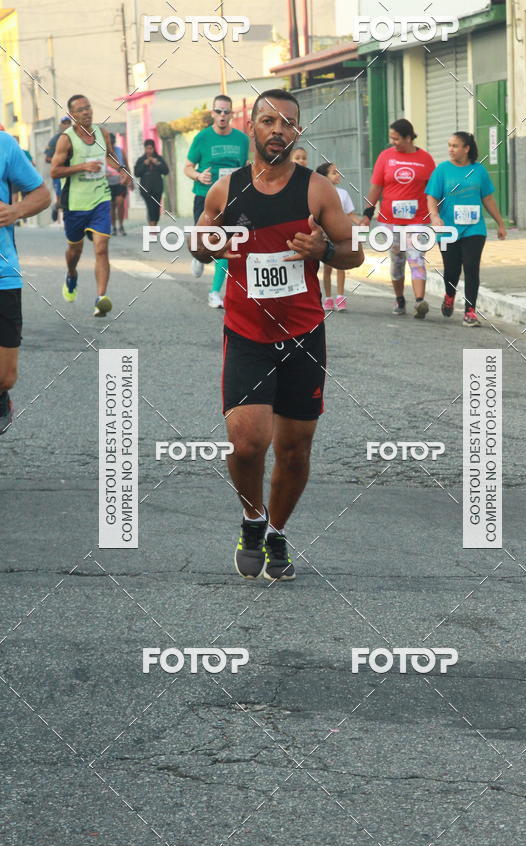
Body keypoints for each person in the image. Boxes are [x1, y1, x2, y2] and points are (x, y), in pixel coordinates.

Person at [189, 88, 364, 580]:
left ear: (297, 132)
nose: (278, 131)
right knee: (247, 444)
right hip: (246, 332)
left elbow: (355, 253)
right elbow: (200, 242)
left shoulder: (317, 191)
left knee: (293, 449)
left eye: (288, 123)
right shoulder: (227, 190)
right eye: (269, 121)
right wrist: (207, 245)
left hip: (304, 334)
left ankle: (277, 532)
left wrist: (324, 251)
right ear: (253, 127)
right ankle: (252, 517)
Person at [51, 94, 128, 317]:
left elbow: (110, 156)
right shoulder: (66, 139)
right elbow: (55, 171)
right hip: (75, 203)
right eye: (81, 109)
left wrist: (122, 170)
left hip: (101, 199)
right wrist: (82, 166)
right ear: (72, 115)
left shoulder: (102, 133)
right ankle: (72, 273)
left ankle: (100, 298)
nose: (87, 112)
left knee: (102, 247)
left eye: (89, 107)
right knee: (75, 250)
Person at [426, 131, 506, 327]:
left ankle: (470, 311)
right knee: (452, 270)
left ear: (466, 148)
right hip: (448, 229)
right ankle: (449, 295)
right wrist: (435, 216)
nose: (450, 149)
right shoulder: (442, 170)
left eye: (455, 146)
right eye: (449, 145)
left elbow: (487, 198)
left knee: (471, 267)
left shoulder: (479, 171)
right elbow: (431, 197)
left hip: (474, 228)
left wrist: (500, 223)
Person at [0, 132, 51, 433]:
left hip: (3, 274)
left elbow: (42, 194)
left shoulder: (4, 144)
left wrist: (15, 210)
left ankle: (2, 395)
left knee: (5, 377)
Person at [361, 119, 435, 318]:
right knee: (397, 262)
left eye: (397, 138)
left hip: (417, 219)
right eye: (391, 138)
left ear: (409, 137)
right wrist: (368, 213)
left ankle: (420, 301)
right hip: (389, 220)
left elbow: (433, 191)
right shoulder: (385, 157)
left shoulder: (425, 159)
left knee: (417, 258)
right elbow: (376, 187)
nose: (393, 142)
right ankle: (400, 298)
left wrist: (436, 214)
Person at [184, 94, 249, 307]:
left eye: (226, 112)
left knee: (225, 243)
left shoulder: (242, 139)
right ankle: (198, 254)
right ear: (213, 113)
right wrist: (198, 176)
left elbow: (246, 165)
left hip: (231, 199)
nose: (222, 115)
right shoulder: (202, 138)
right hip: (205, 197)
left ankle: (214, 292)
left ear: (231, 114)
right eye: (218, 111)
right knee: (206, 242)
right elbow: (187, 167)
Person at [315, 162, 361, 311]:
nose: (338, 175)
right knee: (328, 268)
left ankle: (340, 297)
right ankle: (328, 298)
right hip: (326, 235)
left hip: (341, 234)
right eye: (334, 173)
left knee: (341, 266)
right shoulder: (318, 193)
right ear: (324, 177)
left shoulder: (343, 194)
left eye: (337, 172)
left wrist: (360, 222)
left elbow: (350, 214)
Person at [134, 139, 169, 225]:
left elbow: (166, 171)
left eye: (150, 148)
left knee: (156, 208)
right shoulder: (141, 160)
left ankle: (154, 224)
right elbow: (136, 173)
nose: (149, 150)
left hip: (157, 189)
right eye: (147, 148)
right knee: (150, 207)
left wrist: (157, 163)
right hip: (145, 189)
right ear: (144, 149)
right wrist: (144, 164)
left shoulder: (159, 159)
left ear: (154, 148)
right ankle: (152, 227)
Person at [45, 116, 71, 224]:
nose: (66, 125)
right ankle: (56, 206)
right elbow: (47, 158)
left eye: (68, 123)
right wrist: (60, 160)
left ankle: (68, 220)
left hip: (73, 172)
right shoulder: (55, 140)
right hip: (59, 174)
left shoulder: (76, 137)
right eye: (64, 123)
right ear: (60, 125)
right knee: (61, 199)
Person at [107, 133, 131, 236]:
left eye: (112, 143)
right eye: (109, 143)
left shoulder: (120, 151)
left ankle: (121, 225)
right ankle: (113, 227)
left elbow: (127, 166)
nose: (111, 145)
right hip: (108, 183)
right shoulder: (103, 153)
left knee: (120, 202)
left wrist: (130, 179)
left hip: (120, 182)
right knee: (112, 206)